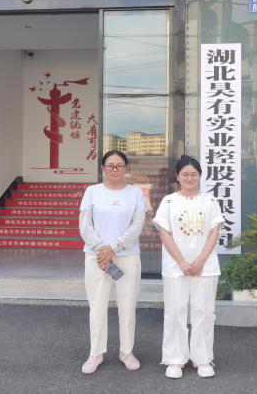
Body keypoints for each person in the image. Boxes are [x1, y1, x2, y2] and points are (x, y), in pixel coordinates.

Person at [153, 155, 225, 379]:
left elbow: (214, 232)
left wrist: (201, 260)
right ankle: (175, 360)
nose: (189, 178)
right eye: (185, 174)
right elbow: (164, 233)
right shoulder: (168, 201)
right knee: (175, 312)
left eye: (194, 174)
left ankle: (202, 359)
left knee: (204, 312)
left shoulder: (210, 201)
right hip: (176, 267)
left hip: (205, 267)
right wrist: (182, 262)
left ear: (200, 176)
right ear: (177, 176)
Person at [79, 150, 146, 375]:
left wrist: (113, 247)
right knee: (97, 306)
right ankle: (95, 353)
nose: (115, 169)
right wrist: (102, 249)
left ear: (126, 168)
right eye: (110, 165)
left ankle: (127, 351)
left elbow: (137, 225)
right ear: (103, 168)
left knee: (128, 305)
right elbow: (85, 224)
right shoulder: (92, 191)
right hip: (97, 258)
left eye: (119, 165)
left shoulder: (135, 193)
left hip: (127, 255)